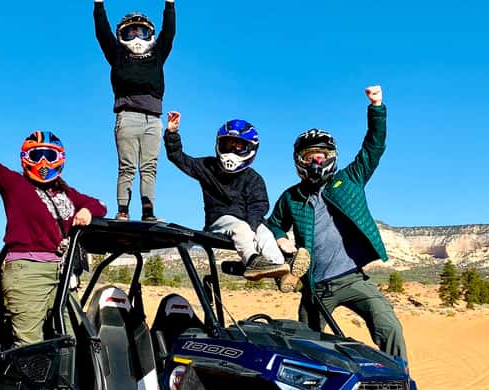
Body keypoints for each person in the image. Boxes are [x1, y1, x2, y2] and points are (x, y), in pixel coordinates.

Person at [0, 97, 106, 347]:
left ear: (60, 158)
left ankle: (65, 386)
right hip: (27, 271)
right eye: (37, 155)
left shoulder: (66, 193)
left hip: (62, 274)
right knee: (30, 345)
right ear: (25, 158)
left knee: (71, 340)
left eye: (49, 155)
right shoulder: (15, 185)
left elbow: (100, 206)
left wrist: (86, 211)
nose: (43, 162)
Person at [264, 85, 407, 359]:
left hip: (353, 279)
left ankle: (400, 385)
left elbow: (373, 147)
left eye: (321, 155)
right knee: (306, 347)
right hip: (315, 286)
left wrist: (376, 107)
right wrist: (284, 244)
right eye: (310, 156)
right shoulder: (291, 197)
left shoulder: (349, 180)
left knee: (388, 326)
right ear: (299, 160)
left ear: (331, 157)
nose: (316, 161)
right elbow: (274, 225)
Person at [164, 111, 308, 281]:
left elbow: (259, 205)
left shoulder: (254, 179)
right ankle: (253, 262)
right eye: (228, 144)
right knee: (241, 228)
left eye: (239, 146)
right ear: (219, 144)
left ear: (250, 149)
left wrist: (255, 226)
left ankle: (280, 266)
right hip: (218, 222)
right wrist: (172, 133)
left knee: (265, 233)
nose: (233, 151)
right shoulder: (208, 166)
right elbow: (179, 158)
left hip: (248, 222)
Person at [93, 0, 176, 222]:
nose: (136, 37)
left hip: (154, 119)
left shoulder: (157, 54)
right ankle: (123, 210)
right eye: (130, 32)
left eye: (141, 31)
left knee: (150, 166)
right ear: (122, 35)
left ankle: (148, 211)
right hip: (127, 116)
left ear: (150, 33)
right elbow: (102, 33)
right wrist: (99, 5)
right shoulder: (118, 55)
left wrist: (169, 5)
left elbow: (169, 32)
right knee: (127, 166)